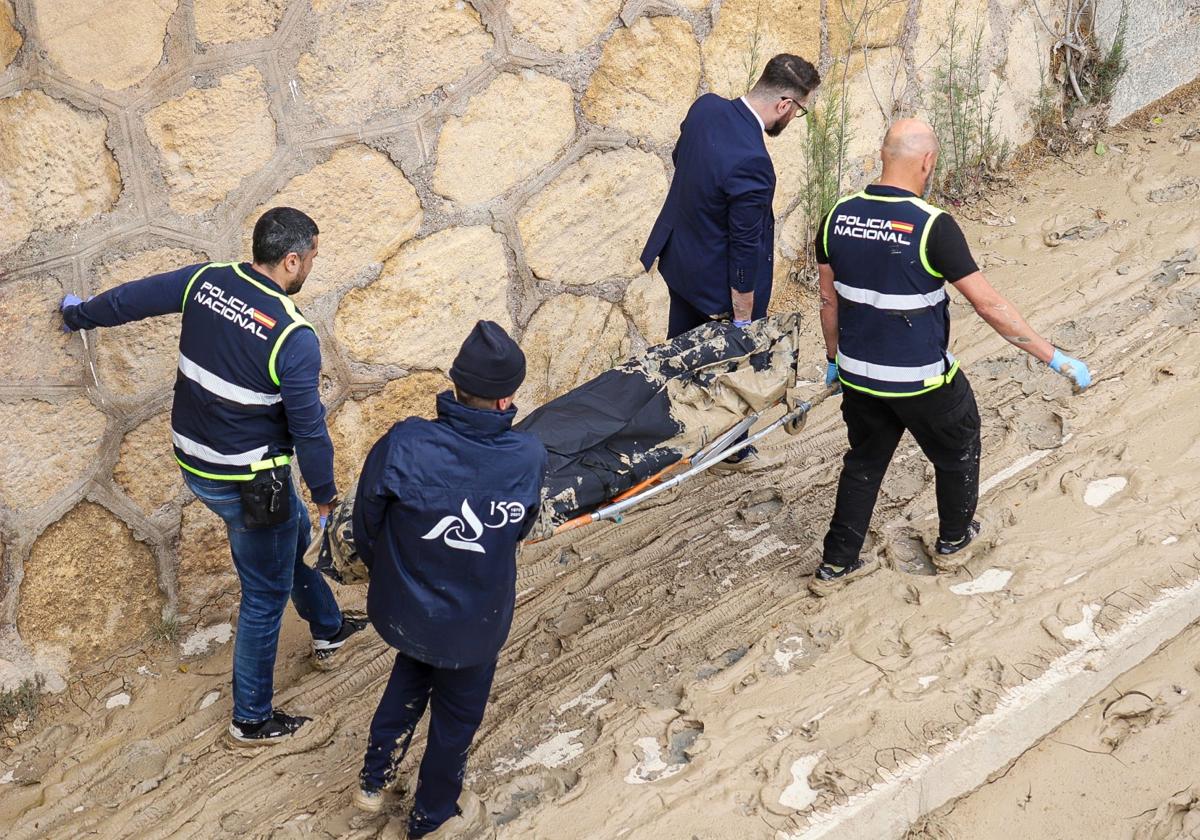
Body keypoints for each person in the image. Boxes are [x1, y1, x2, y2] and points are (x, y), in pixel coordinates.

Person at [60, 207, 367, 743]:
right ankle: (251, 719)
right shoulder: (293, 336)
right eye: (313, 256)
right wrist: (325, 497)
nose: (314, 263)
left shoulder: (207, 280)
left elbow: (133, 298)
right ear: (292, 259)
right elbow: (310, 431)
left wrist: (79, 314)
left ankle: (329, 629)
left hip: (195, 462)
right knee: (265, 593)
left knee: (290, 538)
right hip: (250, 483)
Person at [812, 119, 1093, 591]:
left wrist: (834, 362)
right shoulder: (931, 226)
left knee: (864, 461)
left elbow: (827, 301)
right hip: (921, 381)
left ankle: (836, 565)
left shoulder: (836, 216)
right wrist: (1054, 357)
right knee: (958, 447)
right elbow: (989, 305)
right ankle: (956, 540)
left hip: (860, 377)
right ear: (927, 161)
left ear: (882, 156)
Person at [350, 321, 547, 839]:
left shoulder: (405, 441)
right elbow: (520, 528)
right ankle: (431, 816)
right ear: (507, 401)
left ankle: (374, 779)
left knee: (412, 671)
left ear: (455, 385)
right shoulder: (526, 457)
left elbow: (366, 523)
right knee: (455, 721)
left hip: (406, 609)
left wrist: (395, 573)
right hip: (473, 622)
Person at [640, 52, 819, 468]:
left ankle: (677, 425)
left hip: (680, 259)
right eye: (800, 112)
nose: (793, 120)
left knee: (681, 348)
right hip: (717, 284)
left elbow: (683, 160)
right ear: (785, 105)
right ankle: (730, 447)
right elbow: (744, 245)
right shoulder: (753, 162)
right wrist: (743, 320)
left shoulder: (705, 108)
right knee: (731, 364)